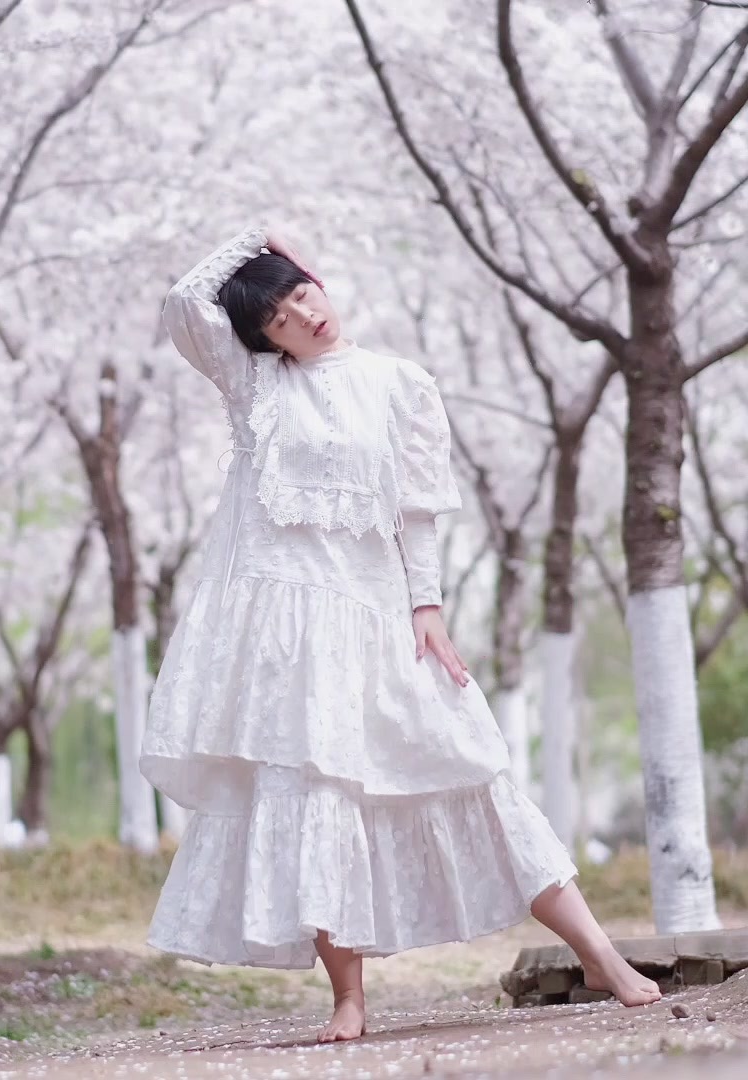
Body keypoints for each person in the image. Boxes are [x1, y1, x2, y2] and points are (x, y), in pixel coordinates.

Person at [143, 225, 661, 1043]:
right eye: (279, 316)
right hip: (288, 632)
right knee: (312, 795)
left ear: (319, 282)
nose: (304, 315)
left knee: (476, 774)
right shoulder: (257, 388)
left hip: (376, 613)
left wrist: (428, 606)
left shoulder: (400, 383)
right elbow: (181, 306)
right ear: (263, 340)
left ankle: (601, 954)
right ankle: (347, 999)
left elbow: (418, 508)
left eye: (303, 293)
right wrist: (250, 243)